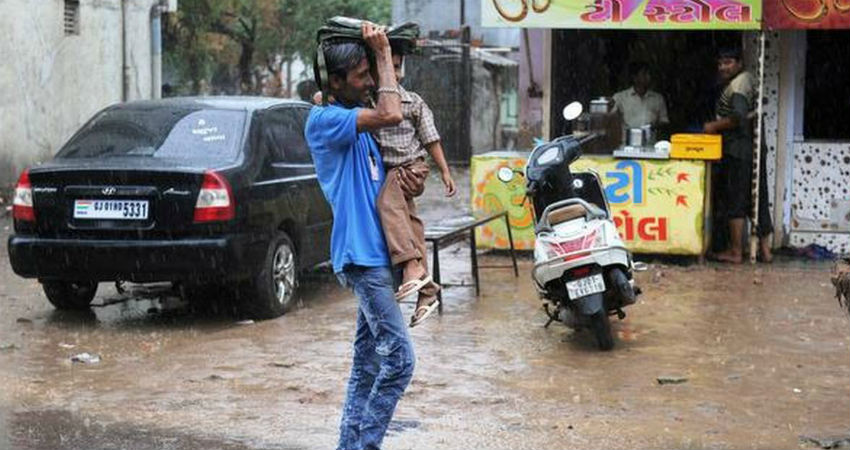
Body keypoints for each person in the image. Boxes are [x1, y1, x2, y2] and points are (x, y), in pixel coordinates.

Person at [304, 22, 417, 450]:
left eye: (371, 73)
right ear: (335, 82)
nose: (371, 82)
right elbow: (391, 112)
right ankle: (365, 446)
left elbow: (392, 100)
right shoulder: (327, 121)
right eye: (361, 76)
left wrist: (382, 57)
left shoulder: (350, 115)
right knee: (401, 361)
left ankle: (349, 445)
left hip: (378, 257)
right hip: (361, 258)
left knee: (367, 365)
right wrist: (383, 53)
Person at [374, 43, 457, 327]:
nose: (393, 74)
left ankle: (411, 266)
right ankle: (428, 292)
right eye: (388, 67)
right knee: (411, 224)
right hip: (391, 173)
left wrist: (445, 172)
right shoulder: (370, 104)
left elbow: (431, 138)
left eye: (397, 67)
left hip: (411, 169)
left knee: (385, 203)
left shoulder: (413, 102)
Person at [703, 47, 773, 264]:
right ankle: (765, 251)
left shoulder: (738, 84)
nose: (723, 67)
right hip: (754, 147)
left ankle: (735, 252)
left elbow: (738, 117)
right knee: (758, 198)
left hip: (738, 150)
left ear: (739, 63)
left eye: (728, 62)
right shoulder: (748, 79)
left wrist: (713, 125)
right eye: (721, 63)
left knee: (736, 199)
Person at [611, 61, 669, 133]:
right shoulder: (620, 98)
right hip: (626, 141)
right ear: (634, 77)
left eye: (649, 74)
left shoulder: (658, 98)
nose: (648, 77)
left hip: (650, 141)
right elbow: (610, 120)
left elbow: (664, 121)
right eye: (644, 74)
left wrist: (654, 127)